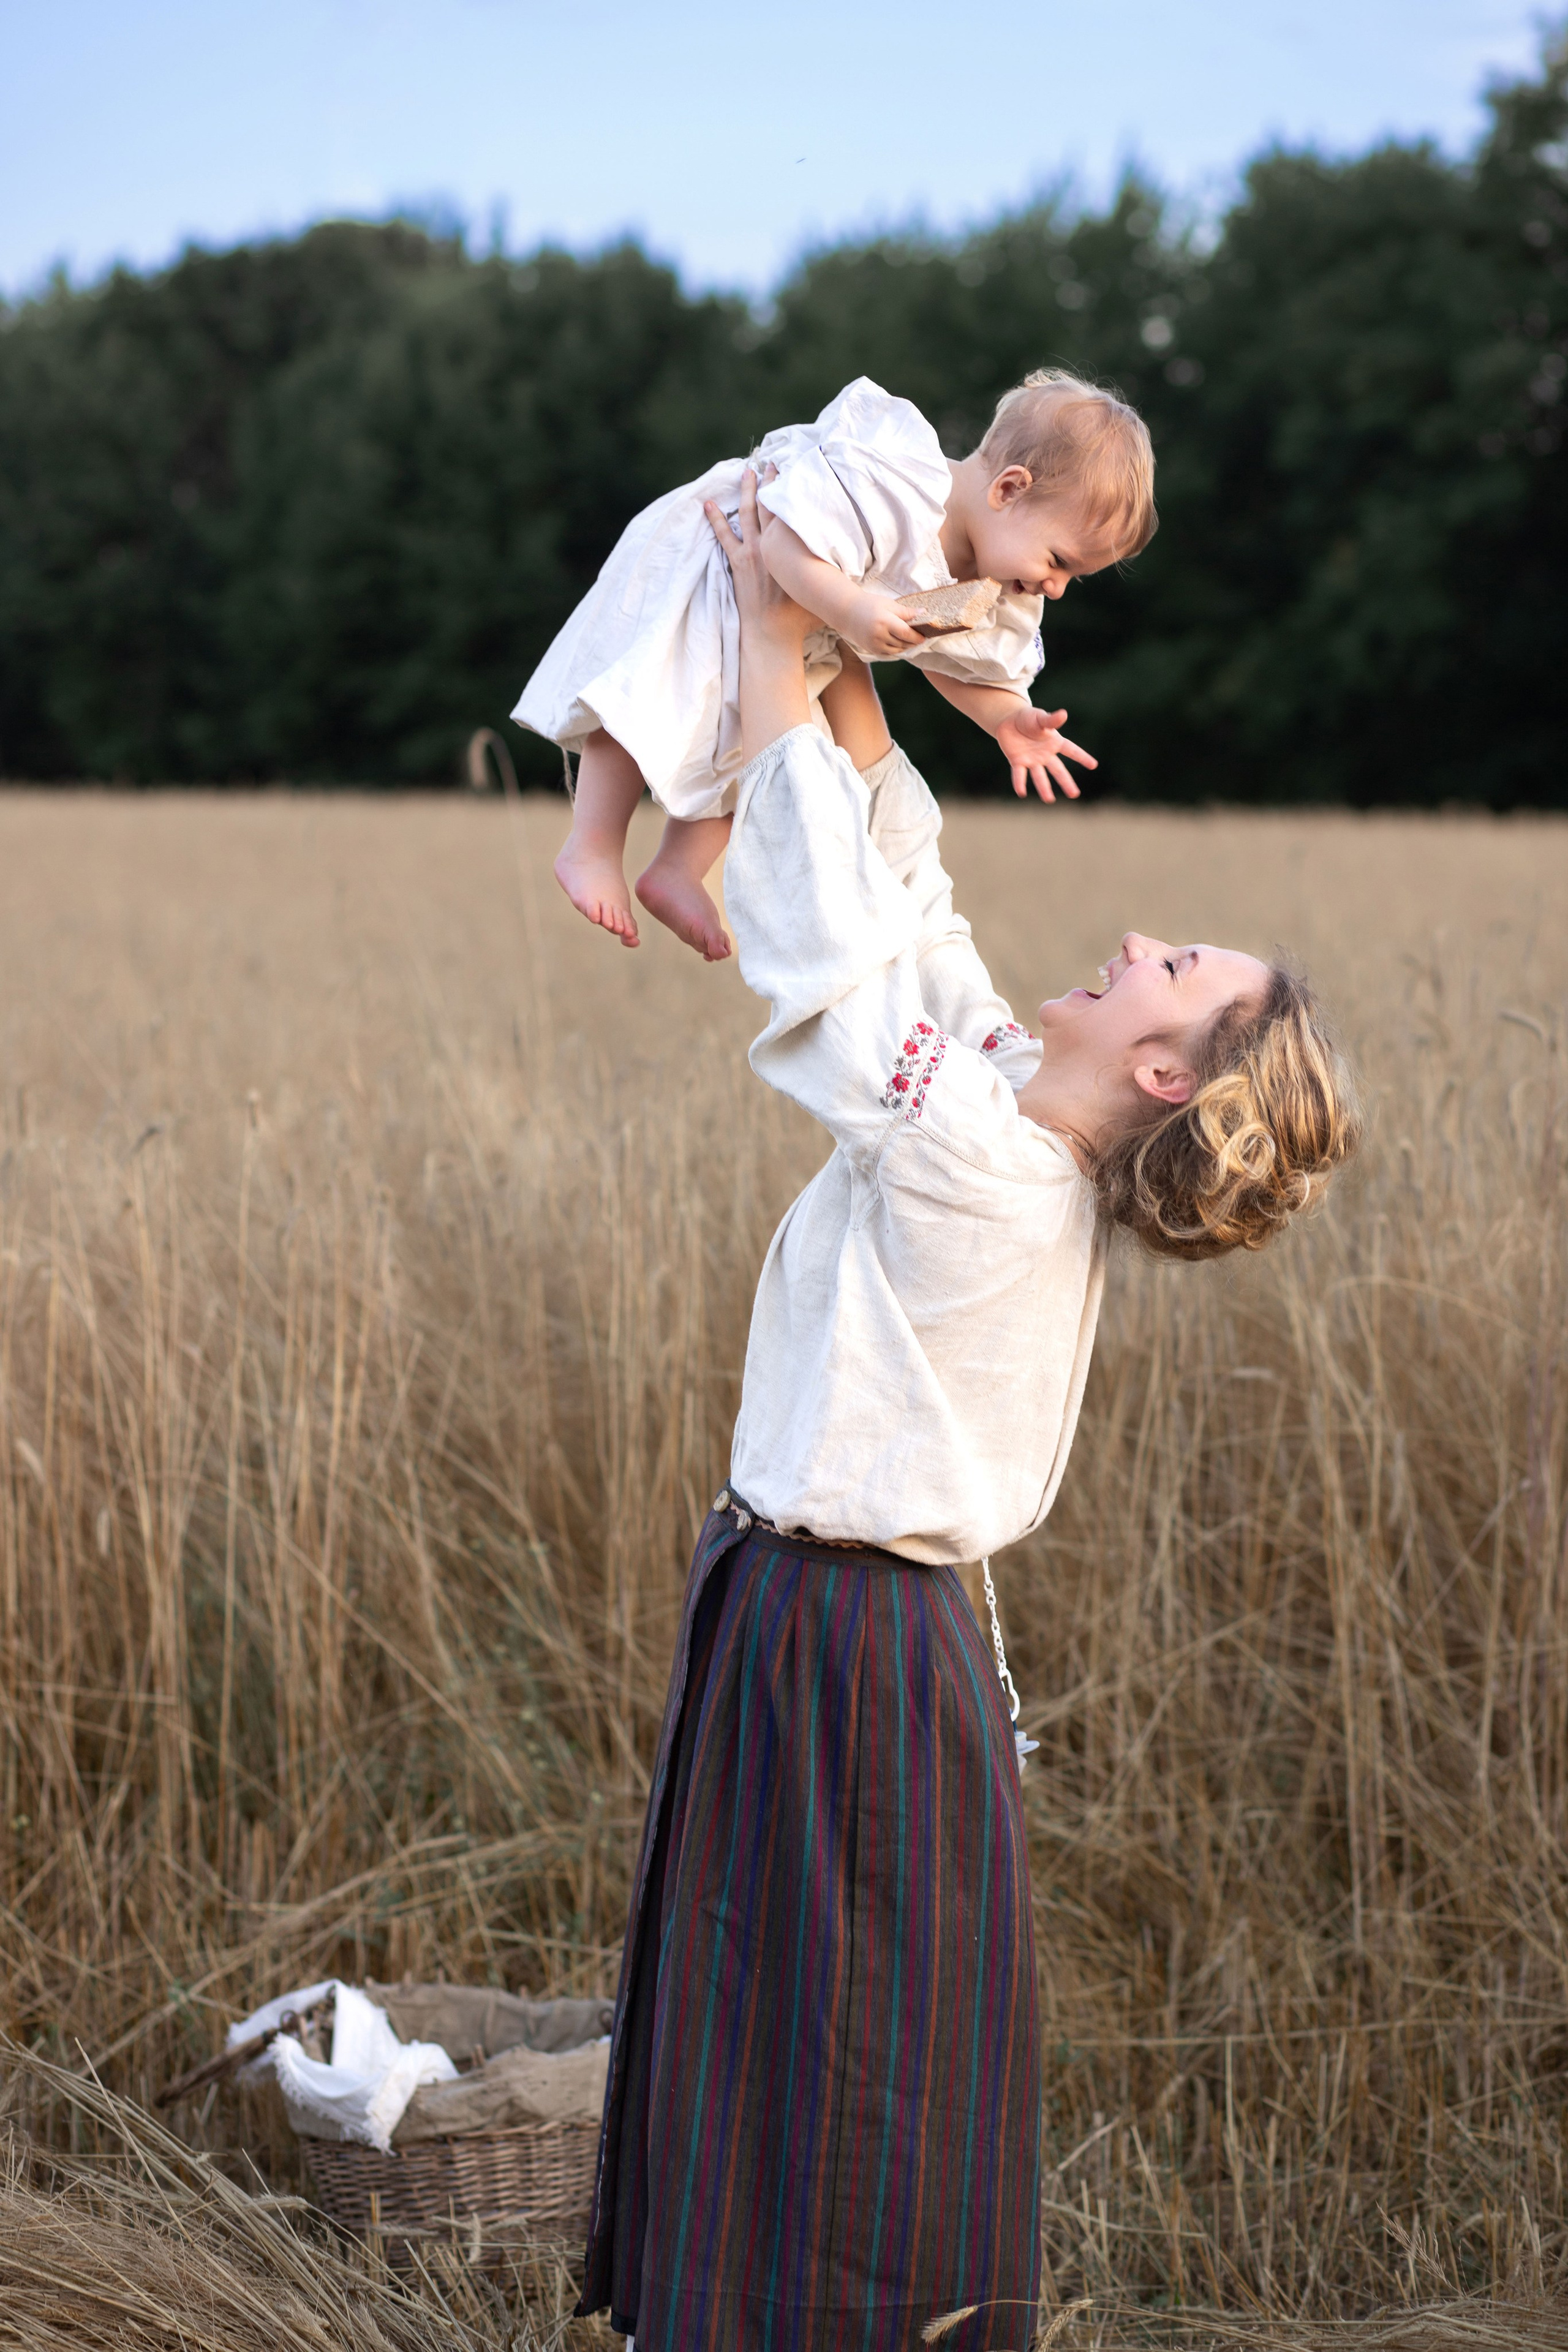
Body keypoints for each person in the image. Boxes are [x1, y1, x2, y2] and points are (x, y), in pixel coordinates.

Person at [577, 473, 1361, 2352]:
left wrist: (775, 603)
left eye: (1174, 967)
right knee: (811, 2047)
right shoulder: (1006, 1105)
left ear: (1163, 1066)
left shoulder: (975, 1165)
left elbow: (826, 931)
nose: (1140, 936)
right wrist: (858, 629)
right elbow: (902, 896)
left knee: (840, 2066)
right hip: (835, 1631)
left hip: (843, 1643)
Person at [514, 371, 1155, 960]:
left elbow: (956, 664)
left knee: (766, 745)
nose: (1056, 588)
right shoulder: (897, 487)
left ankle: (677, 869)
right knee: (658, 691)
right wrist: (849, 608)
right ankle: (591, 848)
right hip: (728, 556)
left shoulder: (993, 577)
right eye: (1060, 561)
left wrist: (1007, 718)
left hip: (796, 625)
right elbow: (785, 543)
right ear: (1009, 489)